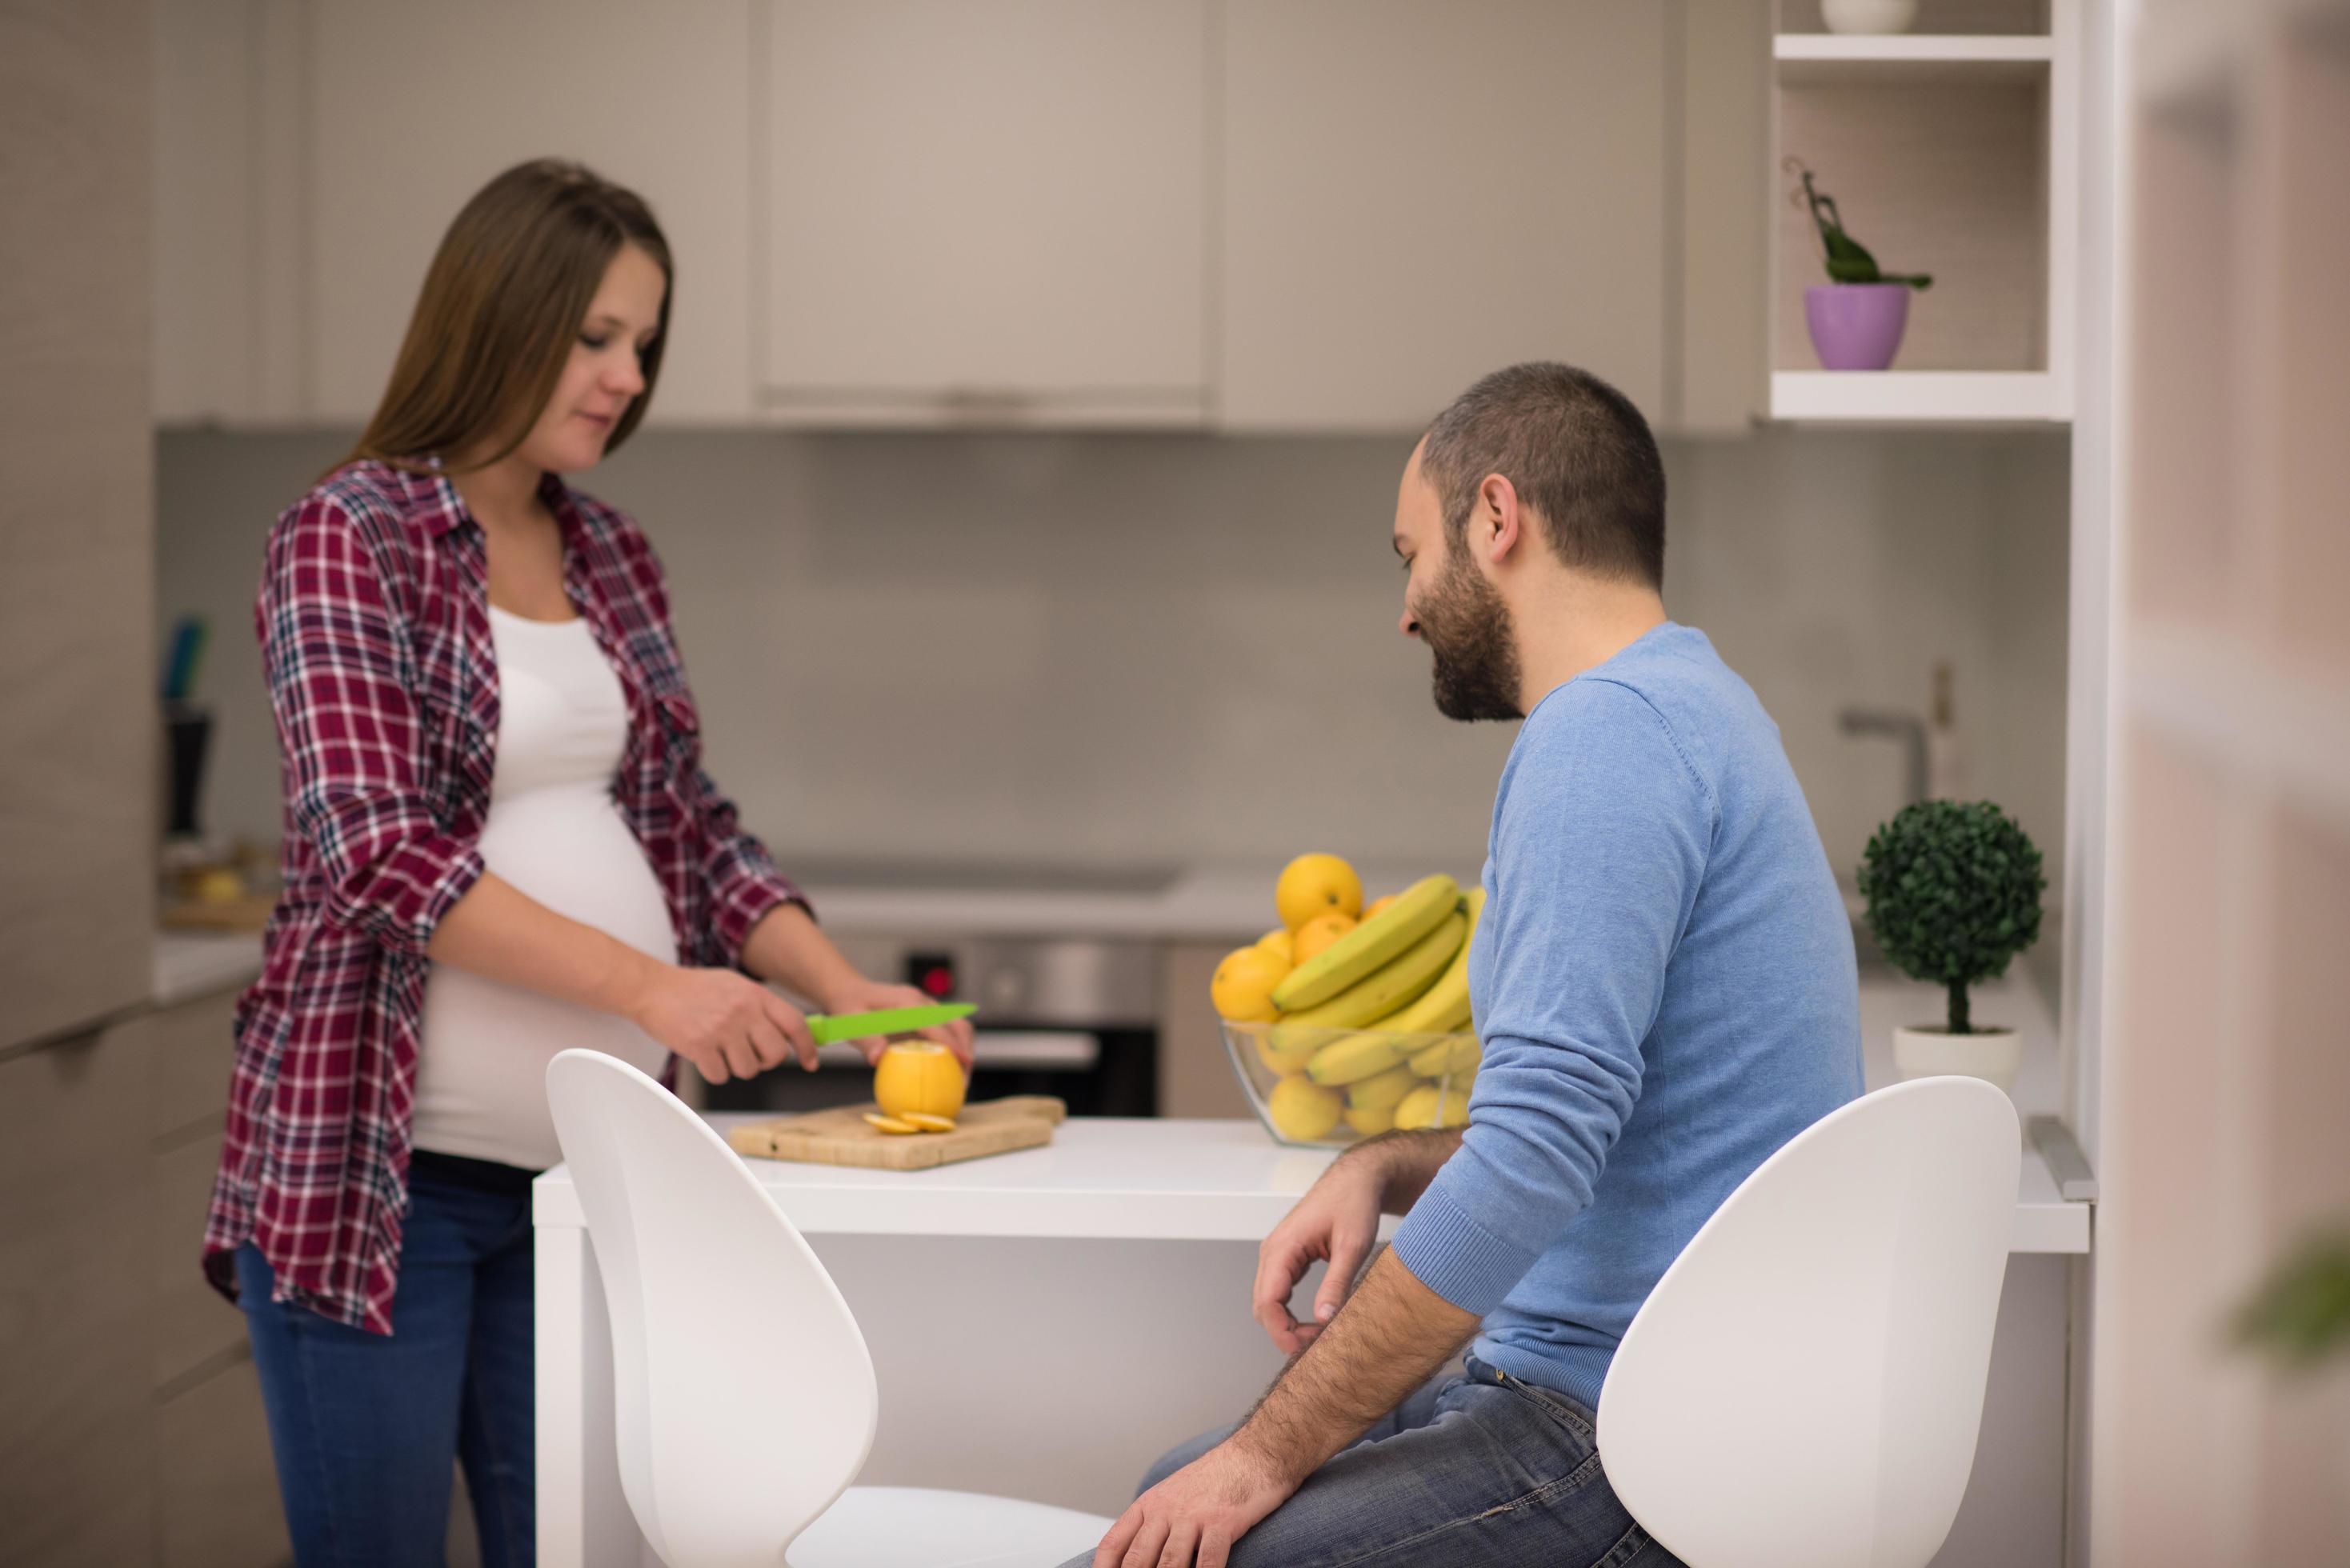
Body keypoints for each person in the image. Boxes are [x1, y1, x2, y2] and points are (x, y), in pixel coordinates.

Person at [200, 158, 973, 1568]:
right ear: (498, 316)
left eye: (643, 343)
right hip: (380, 1186)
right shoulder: (349, 533)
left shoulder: (610, 551)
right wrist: (653, 992)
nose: (627, 375)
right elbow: (372, 852)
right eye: (597, 334)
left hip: (588, 1185)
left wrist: (843, 983)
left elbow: (689, 822)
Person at [1081, 362, 1863, 1568]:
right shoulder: (1693, 705)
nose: (1405, 607)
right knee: (1160, 1494)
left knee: (1192, 1532)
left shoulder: (1605, 737)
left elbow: (1536, 1157)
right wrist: (1387, 1163)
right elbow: (1613, 1124)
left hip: (1624, 1432)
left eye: (1409, 555)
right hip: (1637, 1390)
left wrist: (1262, 1455)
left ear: (1496, 520)